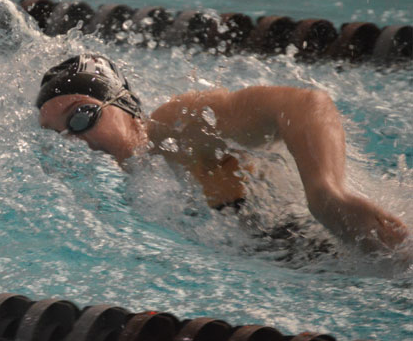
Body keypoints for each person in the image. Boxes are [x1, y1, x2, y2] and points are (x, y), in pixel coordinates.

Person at [35, 54, 410, 255]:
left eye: (82, 117)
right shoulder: (111, 200)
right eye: (58, 137)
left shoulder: (178, 129)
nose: (73, 141)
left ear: (127, 106)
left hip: (378, 237)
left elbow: (303, 103)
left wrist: (327, 194)